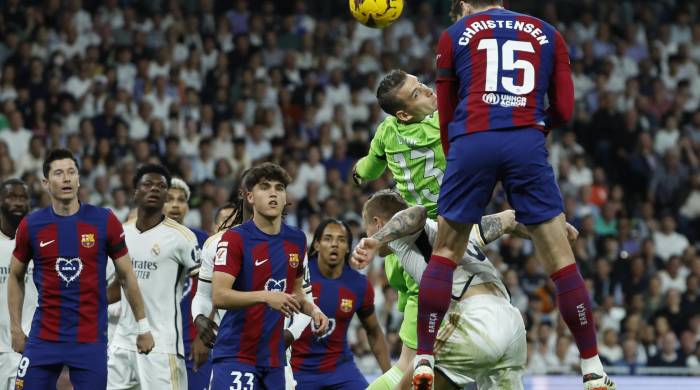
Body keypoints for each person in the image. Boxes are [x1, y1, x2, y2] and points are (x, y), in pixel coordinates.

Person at [417, 1, 613, 389]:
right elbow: (565, 109)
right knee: (561, 260)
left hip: (472, 139)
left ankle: (424, 356)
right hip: (525, 139)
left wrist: (457, 150)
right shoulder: (548, 32)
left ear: (462, 4)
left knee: (445, 252)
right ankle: (591, 366)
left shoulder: (454, 35)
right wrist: (538, 126)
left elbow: (446, 111)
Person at [354, 190, 563, 389]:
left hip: (475, 319)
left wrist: (376, 240)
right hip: (512, 324)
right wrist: (554, 233)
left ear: (377, 223)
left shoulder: (404, 236)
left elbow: (417, 212)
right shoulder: (458, 233)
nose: (367, 235)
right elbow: (509, 218)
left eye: (367, 230)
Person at [7, 149, 154, 390]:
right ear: (46, 182)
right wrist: (15, 328)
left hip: (89, 341)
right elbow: (15, 275)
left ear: (78, 178)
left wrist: (143, 327)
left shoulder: (104, 220)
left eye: (71, 172)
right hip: (44, 339)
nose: (66, 178)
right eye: (58, 173)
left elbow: (127, 276)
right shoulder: (31, 225)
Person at [353, 69, 443, 390]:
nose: (428, 91)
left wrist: (357, 172)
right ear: (404, 112)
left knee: (423, 360)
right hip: (432, 250)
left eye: (421, 84)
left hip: (398, 252)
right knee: (411, 365)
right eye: (417, 93)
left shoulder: (387, 131)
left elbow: (368, 168)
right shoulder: (442, 124)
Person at [211, 162, 329, 389]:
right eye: (264, 187)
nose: (273, 193)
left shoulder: (297, 239)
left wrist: (314, 310)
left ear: (286, 197)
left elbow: (296, 294)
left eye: (279, 188)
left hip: (274, 359)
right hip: (237, 354)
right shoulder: (234, 239)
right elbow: (219, 295)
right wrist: (266, 296)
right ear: (250, 197)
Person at [107, 164, 200, 390]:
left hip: (161, 345)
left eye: (161, 186)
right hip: (122, 342)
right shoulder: (122, 232)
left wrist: (203, 334)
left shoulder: (182, 237)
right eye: (147, 184)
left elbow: (206, 287)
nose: (154, 189)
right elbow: (116, 286)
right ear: (135, 192)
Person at [290, 219, 391, 389]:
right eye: (328, 238)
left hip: (340, 370)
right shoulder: (297, 277)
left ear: (348, 248)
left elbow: (374, 331)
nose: (335, 244)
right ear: (316, 245)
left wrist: (390, 377)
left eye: (341, 240)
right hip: (297, 369)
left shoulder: (359, 284)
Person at [163, 177, 210, 390]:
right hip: (157, 345)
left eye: (181, 200)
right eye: (169, 199)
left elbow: (212, 293)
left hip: (193, 344)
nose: (175, 204)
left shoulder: (203, 242)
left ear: (187, 207)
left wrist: (203, 337)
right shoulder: (145, 241)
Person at [0, 179, 35, 390]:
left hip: (25, 347)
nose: (18, 203)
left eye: (23, 198)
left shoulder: (39, 243)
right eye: (12, 197)